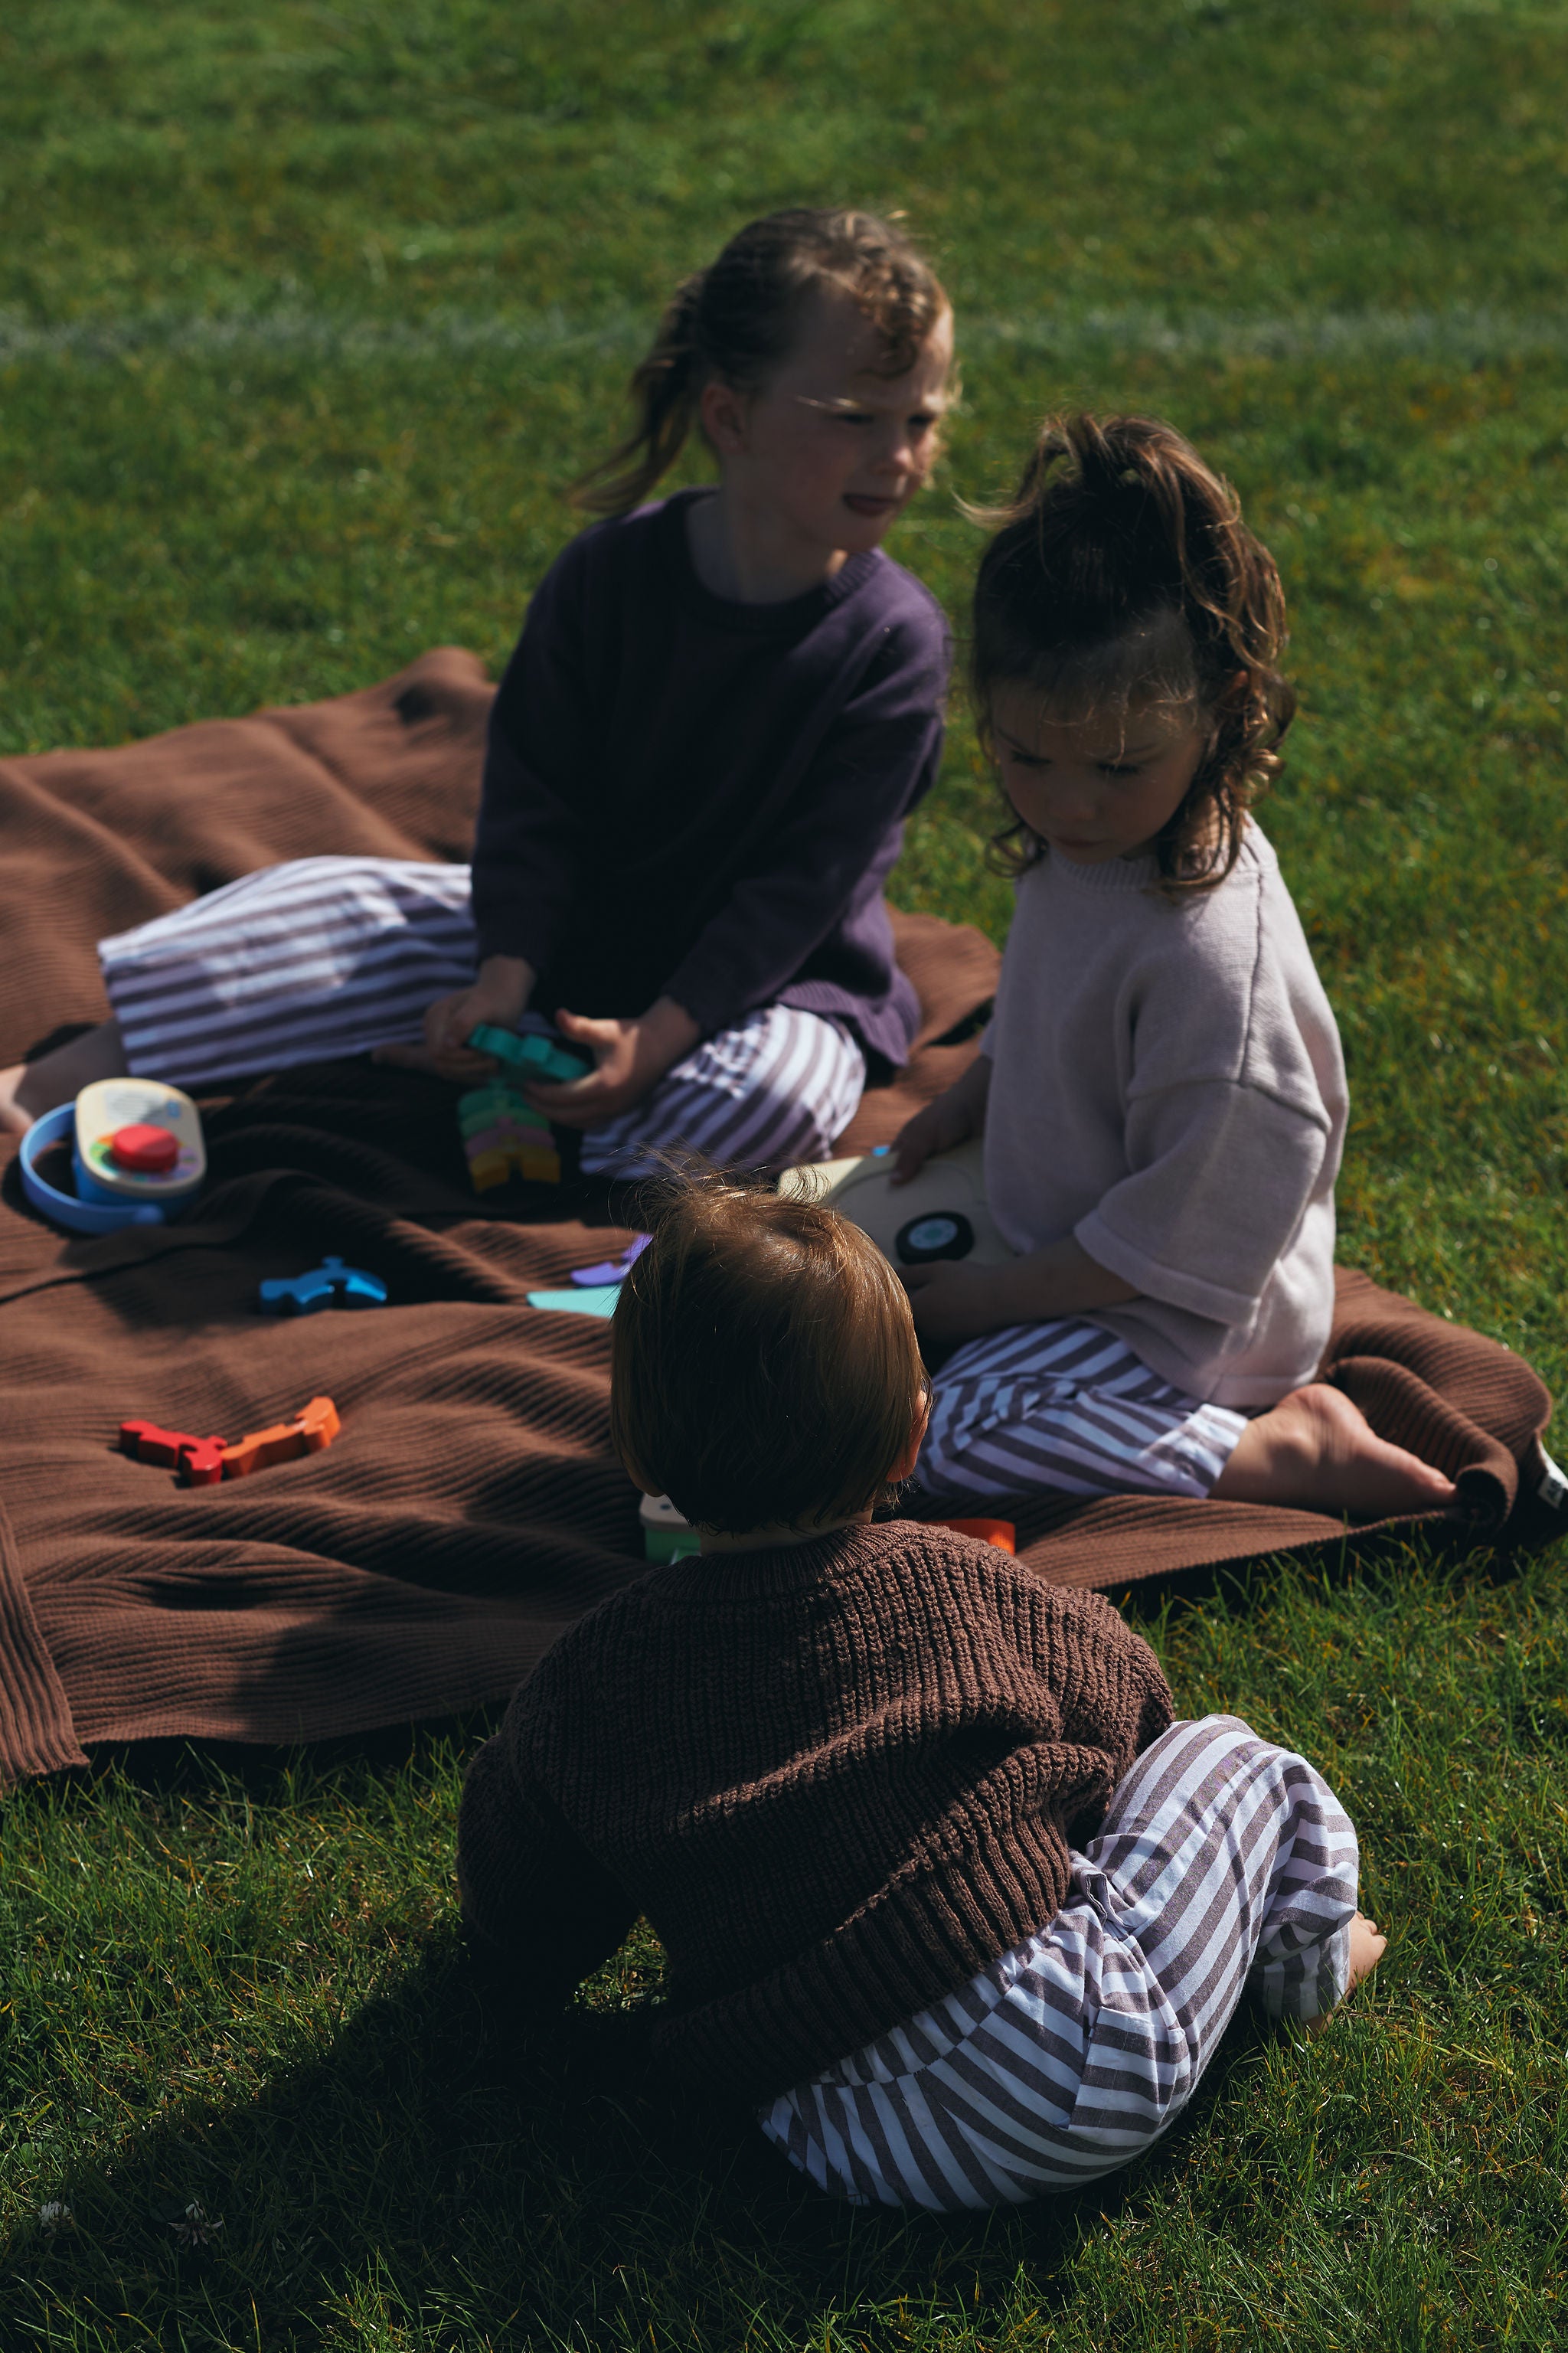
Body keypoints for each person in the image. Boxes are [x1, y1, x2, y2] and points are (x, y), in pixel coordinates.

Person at [456, 1178, 1387, 2211]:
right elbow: (1129, 1700)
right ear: (912, 1436)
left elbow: (519, 1880)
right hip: (1070, 2067)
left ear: (637, 1450)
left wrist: (516, 1979)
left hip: (826, 2128)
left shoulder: (588, 1678)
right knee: (1238, 1765)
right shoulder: (945, 1578)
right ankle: (1313, 1960)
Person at [0, 209, 956, 1178]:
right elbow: (533, 801)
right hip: (572, 946)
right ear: (730, 416)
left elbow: (795, 899)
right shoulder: (605, 577)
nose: (901, 456)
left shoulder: (894, 644)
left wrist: (654, 1044)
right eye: (857, 419)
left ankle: (568, 1132)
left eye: (920, 420)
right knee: (332, 908)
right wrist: (505, 974)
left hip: (762, 993)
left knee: (768, 1101)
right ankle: (69, 1075)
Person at [890, 414, 1456, 1519]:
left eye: (1115, 764)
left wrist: (986, 1303)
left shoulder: (1213, 974)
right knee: (820, 1330)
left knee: (933, 1442)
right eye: (1025, 755)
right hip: (1060, 1251)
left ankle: (1284, 1452)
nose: (1065, 803)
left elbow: (1168, 1245)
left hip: (1183, 1325)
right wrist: (974, 1092)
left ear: (1222, 709)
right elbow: (1050, 990)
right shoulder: (1095, 841)